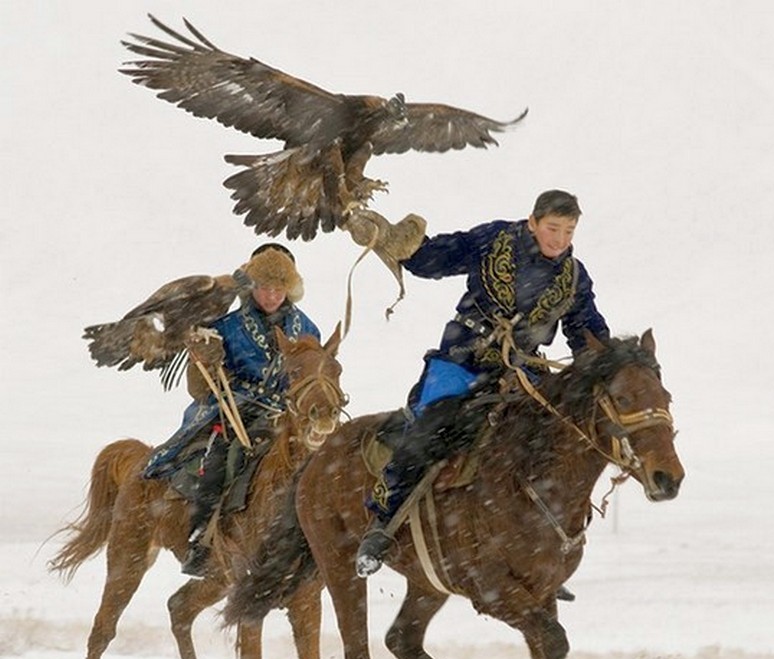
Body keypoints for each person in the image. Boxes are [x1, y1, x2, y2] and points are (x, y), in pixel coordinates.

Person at [344, 189, 610, 578]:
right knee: (428, 426)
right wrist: (398, 244)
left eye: (569, 231)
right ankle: (382, 525)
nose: (560, 239)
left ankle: (540, 551)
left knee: (553, 439)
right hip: (462, 358)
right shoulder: (495, 239)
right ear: (533, 222)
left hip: (524, 371)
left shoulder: (574, 277)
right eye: (553, 228)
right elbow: (437, 259)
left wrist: (608, 362)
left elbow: (586, 330)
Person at [142, 243, 321, 577]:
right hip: (233, 410)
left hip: (289, 415)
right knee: (220, 460)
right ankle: (200, 538)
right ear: (252, 287)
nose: (271, 296)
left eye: (279, 288)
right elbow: (198, 389)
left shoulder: (309, 331)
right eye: (265, 287)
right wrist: (205, 364)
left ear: (289, 289)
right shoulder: (225, 326)